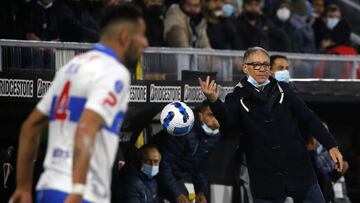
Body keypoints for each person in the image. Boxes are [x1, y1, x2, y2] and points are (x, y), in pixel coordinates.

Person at [9, 4, 148, 203]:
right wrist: (78, 189)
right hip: (82, 194)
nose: (145, 43)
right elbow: (86, 128)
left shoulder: (71, 67)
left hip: (49, 188)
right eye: (142, 35)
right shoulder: (115, 73)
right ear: (125, 37)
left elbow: (31, 127)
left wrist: (23, 187)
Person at [198, 47, 344, 203]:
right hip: (266, 179)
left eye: (266, 65)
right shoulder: (236, 98)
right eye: (256, 65)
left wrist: (331, 145)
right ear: (245, 68)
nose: (262, 69)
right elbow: (228, 127)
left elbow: (309, 118)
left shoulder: (284, 90)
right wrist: (214, 101)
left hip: (300, 172)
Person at [153, 100, 221, 203]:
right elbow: (164, 164)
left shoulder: (214, 136)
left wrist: (201, 191)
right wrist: (177, 194)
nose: (216, 121)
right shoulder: (183, 129)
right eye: (211, 115)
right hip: (153, 172)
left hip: (174, 176)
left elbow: (200, 168)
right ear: (200, 116)